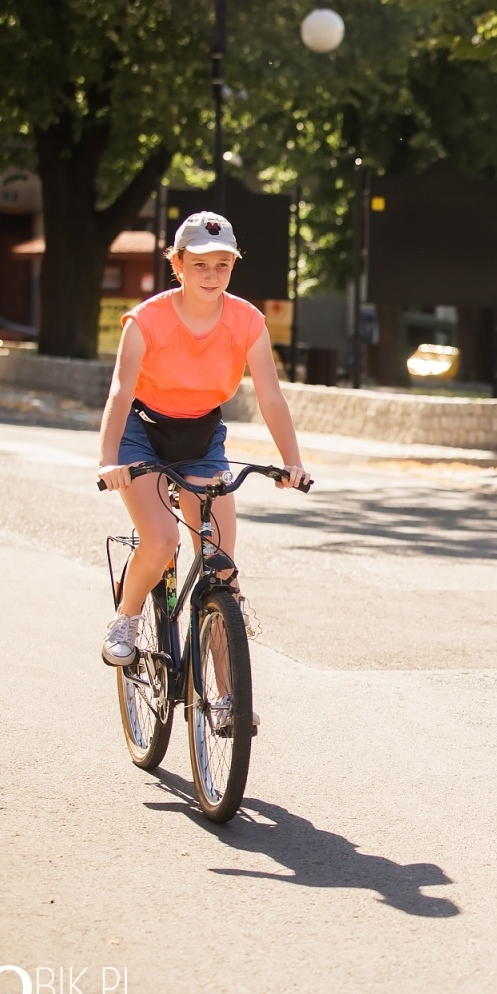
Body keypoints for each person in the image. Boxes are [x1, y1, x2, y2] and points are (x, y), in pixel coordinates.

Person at [97, 212, 310, 730]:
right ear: (178, 264)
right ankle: (126, 619)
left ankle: (229, 701)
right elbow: (121, 391)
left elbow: (271, 395)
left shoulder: (247, 321)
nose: (211, 275)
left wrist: (292, 462)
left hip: (201, 436)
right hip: (141, 432)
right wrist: (109, 461)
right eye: (199, 264)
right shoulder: (146, 321)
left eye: (222, 264)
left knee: (221, 567)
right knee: (163, 537)